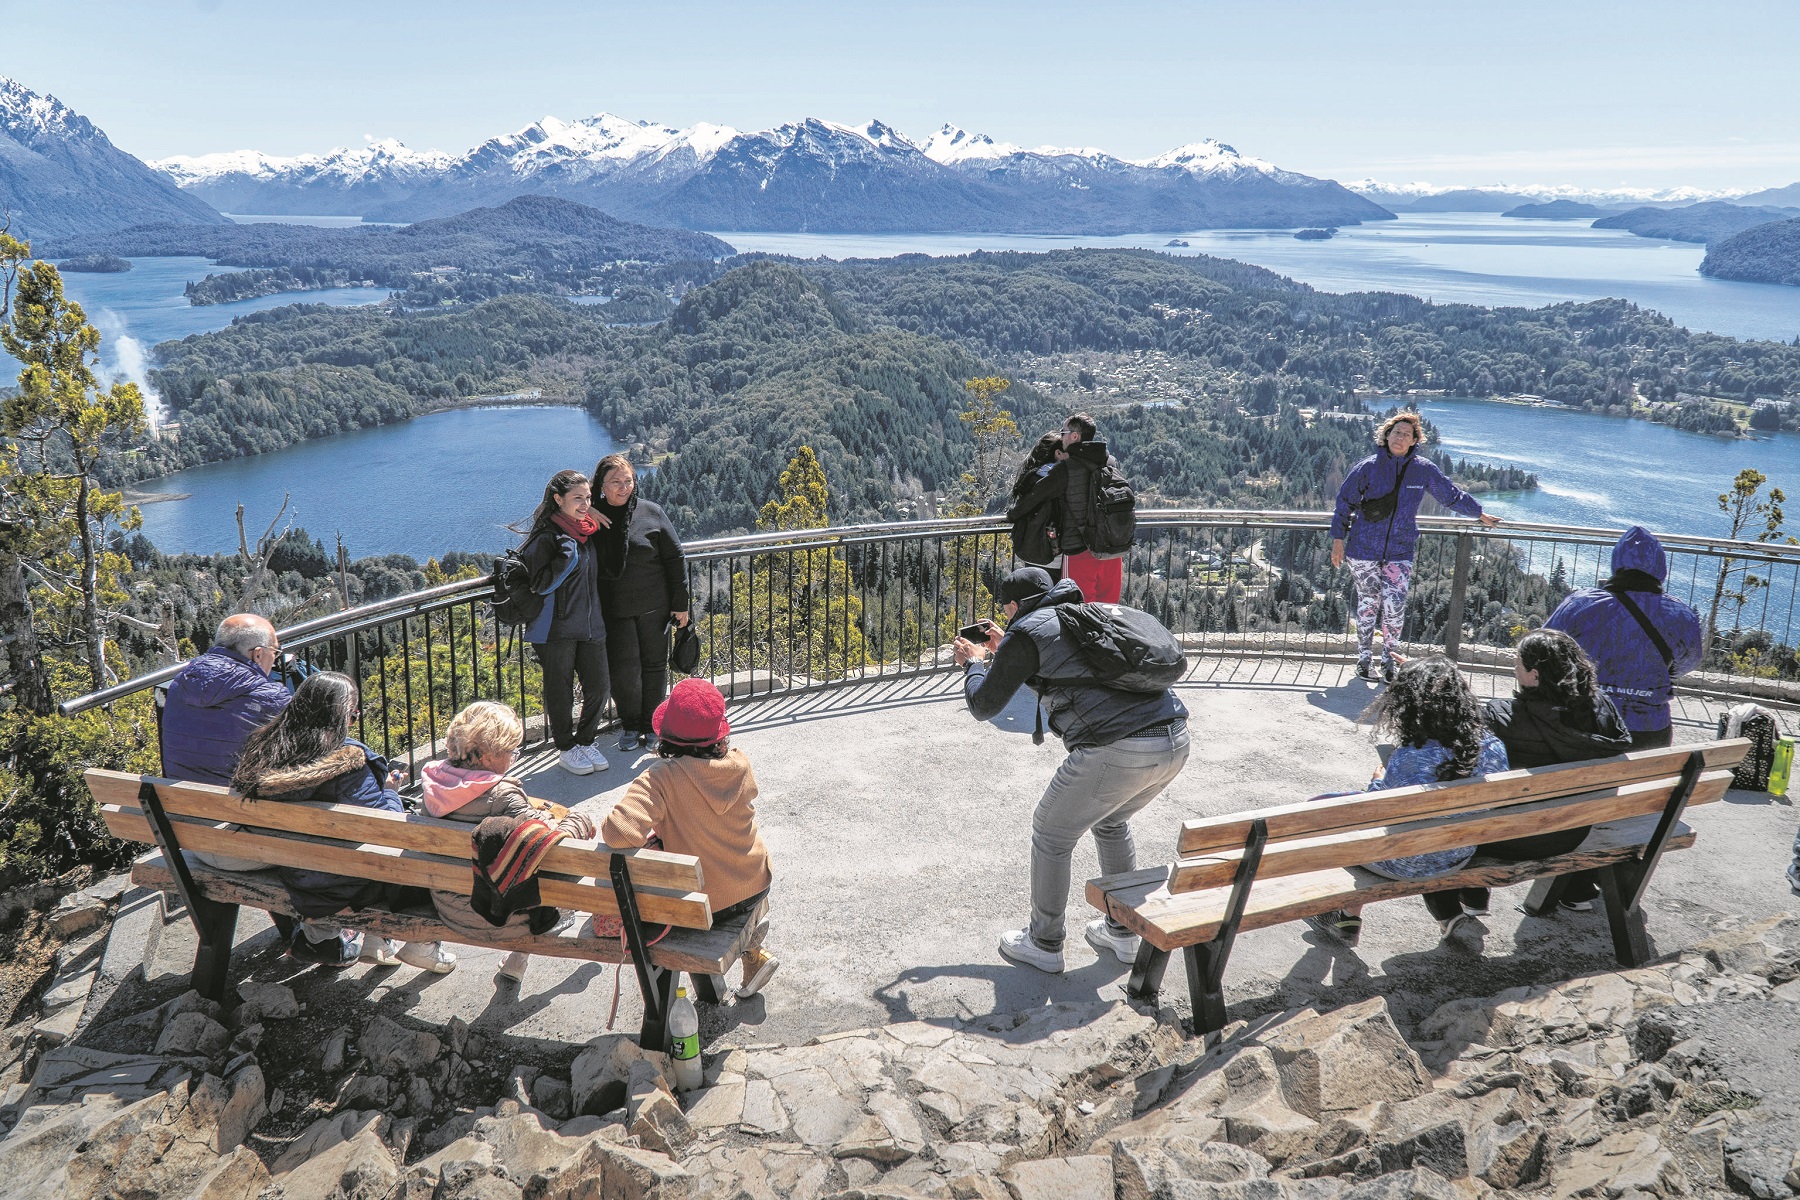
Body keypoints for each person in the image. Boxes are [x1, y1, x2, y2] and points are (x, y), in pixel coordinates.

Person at [953, 567, 1191, 973]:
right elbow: (1063, 669)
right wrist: (1003, 650)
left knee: (1051, 832)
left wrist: (975, 663)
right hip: (1175, 739)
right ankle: (1124, 933)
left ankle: (1044, 944)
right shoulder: (1084, 615)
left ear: (1012, 607)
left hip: (1118, 748)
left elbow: (983, 705)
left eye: (1006, 610)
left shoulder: (1026, 632)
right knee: (1111, 823)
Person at [230, 672, 457, 973]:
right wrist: (390, 791)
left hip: (292, 870)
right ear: (339, 717)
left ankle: (360, 940)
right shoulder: (347, 766)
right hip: (340, 880)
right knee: (413, 862)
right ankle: (419, 945)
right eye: (352, 715)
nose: (353, 721)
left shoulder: (265, 751)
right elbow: (385, 826)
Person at [1306, 656, 1509, 946]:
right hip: (1458, 854)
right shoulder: (1493, 747)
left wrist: (1378, 780)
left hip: (1404, 862)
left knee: (1327, 818)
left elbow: (1378, 814)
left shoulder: (1411, 758)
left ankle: (1345, 916)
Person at [600, 678, 779, 998]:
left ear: (668, 734)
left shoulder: (660, 778)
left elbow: (617, 833)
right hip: (753, 883)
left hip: (703, 906)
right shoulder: (739, 763)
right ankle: (751, 947)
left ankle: (749, 946)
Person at [1448, 627, 1632, 916]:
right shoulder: (1604, 710)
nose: (1515, 670)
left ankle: (1472, 895)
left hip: (1511, 837)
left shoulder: (1503, 717)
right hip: (1574, 831)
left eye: (1518, 665)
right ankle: (1576, 890)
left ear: (1535, 675)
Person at [422, 701, 597, 984]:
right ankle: (519, 955)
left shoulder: (434, 783)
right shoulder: (503, 797)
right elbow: (556, 848)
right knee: (549, 868)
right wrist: (580, 821)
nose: (514, 758)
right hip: (502, 919)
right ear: (488, 756)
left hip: (449, 907)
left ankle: (517, 958)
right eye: (511, 752)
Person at [1330, 411, 1501, 683]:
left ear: (1414, 441)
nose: (1400, 437)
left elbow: (1450, 496)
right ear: (1386, 436)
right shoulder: (1367, 467)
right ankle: (1364, 659)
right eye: (1396, 432)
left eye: (1406, 434)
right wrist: (1338, 541)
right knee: (1368, 604)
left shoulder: (1423, 469)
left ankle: (1389, 661)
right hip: (1362, 549)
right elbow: (1344, 504)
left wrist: (1479, 514)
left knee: (1395, 606)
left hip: (1400, 550)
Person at [1543, 525, 1703, 750]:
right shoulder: (1682, 615)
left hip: (1588, 724)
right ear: (1660, 567)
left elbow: (1541, 649)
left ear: (1616, 561)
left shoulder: (1581, 604)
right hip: (1650, 730)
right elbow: (1687, 662)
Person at [160, 613, 296, 873]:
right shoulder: (270, 697)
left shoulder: (179, 686)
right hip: (248, 843)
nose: (275, 659)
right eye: (275, 653)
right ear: (258, 654)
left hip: (193, 838)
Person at [517, 469, 626, 776]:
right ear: (557, 499)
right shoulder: (547, 537)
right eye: (577, 498)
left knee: (600, 687)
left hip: (591, 624)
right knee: (560, 690)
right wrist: (566, 559)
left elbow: (622, 505)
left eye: (588, 498)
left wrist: (589, 509)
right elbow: (539, 585)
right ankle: (566, 748)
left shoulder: (584, 531)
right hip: (556, 628)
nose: (584, 504)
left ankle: (586, 740)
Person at [593, 454, 691, 753]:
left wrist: (681, 604)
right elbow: (552, 516)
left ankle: (652, 725)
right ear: (601, 485)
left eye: (628, 481)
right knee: (624, 671)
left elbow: (675, 559)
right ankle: (630, 724)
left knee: (653, 667)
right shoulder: (589, 518)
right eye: (615, 482)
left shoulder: (651, 512)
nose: (624, 487)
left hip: (655, 609)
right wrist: (586, 514)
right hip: (614, 611)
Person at [1057, 413, 1127, 604]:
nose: (1060, 438)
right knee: (1109, 613)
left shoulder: (1066, 467)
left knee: (1077, 611)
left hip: (1079, 549)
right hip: (1111, 549)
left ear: (1074, 436)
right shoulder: (1110, 462)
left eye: (1063, 433)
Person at [1007, 433, 1068, 573]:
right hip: (1053, 554)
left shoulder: (1033, 475)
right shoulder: (1055, 478)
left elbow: (1021, 508)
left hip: (1031, 549)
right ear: (1058, 453)